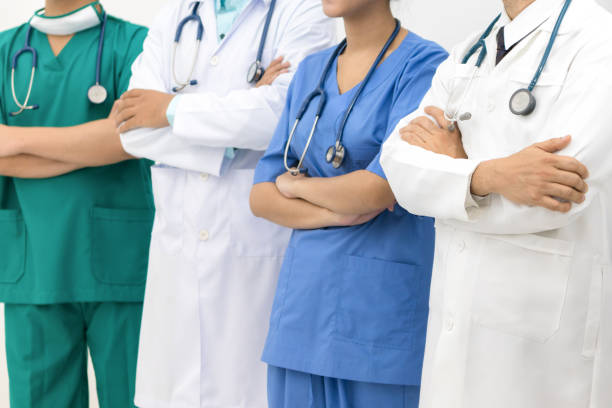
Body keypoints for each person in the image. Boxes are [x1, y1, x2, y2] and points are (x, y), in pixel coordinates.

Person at [380, 0, 612, 406]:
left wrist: (453, 175)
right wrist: (487, 176)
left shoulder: (598, 40)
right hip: (455, 325)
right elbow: (399, 167)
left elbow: (559, 191)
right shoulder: (470, 50)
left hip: (539, 353)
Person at [108, 1, 334, 407]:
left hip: (253, 256)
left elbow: (286, 115)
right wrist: (235, 128)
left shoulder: (304, 11)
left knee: (251, 390)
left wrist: (171, 108)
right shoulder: (175, 16)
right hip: (177, 258)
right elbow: (131, 129)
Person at [249, 0, 448, 406]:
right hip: (301, 312)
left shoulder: (426, 66)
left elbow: (380, 188)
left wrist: (295, 186)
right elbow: (260, 195)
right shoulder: (310, 71)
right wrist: (339, 205)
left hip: (376, 317)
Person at [0, 1, 151, 407]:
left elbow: (133, 138)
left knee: (137, 397)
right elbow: (110, 139)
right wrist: (92, 142)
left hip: (119, 264)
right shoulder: (4, 51)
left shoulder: (135, 44)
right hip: (33, 269)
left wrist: (17, 138)